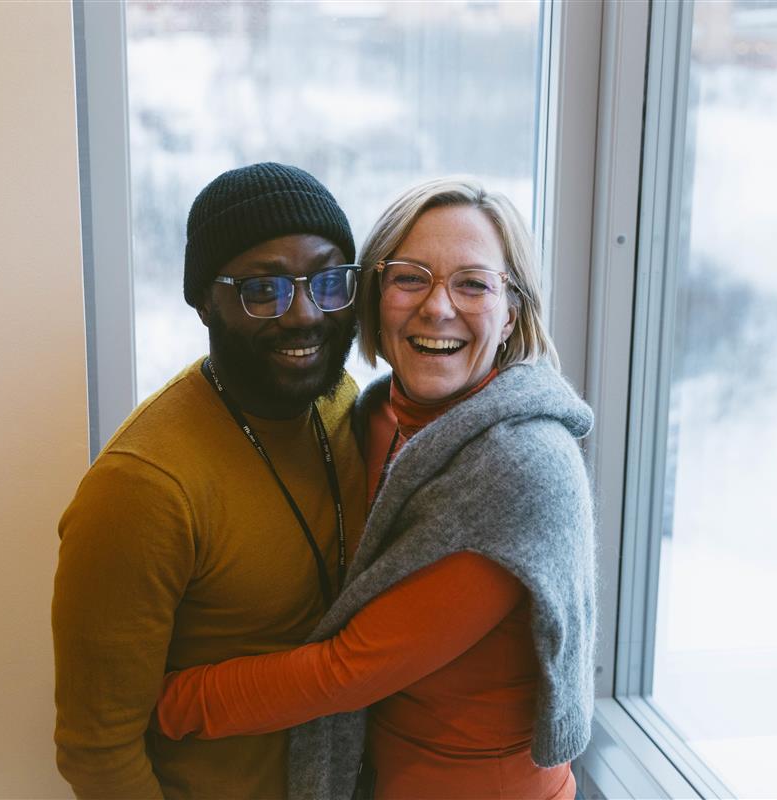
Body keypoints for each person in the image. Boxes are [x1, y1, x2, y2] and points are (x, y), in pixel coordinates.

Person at [153, 176, 596, 800]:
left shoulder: (523, 469)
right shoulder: (371, 414)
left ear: (511, 315)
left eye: (473, 284)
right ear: (373, 297)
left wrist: (168, 704)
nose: (437, 308)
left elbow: (349, 668)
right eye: (410, 277)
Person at [52, 162, 370, 799]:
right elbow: (98, 753)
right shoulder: (142, 489)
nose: (304, 314)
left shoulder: (340, 404)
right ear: (204, 302)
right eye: (263, 289)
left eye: (328, 281)